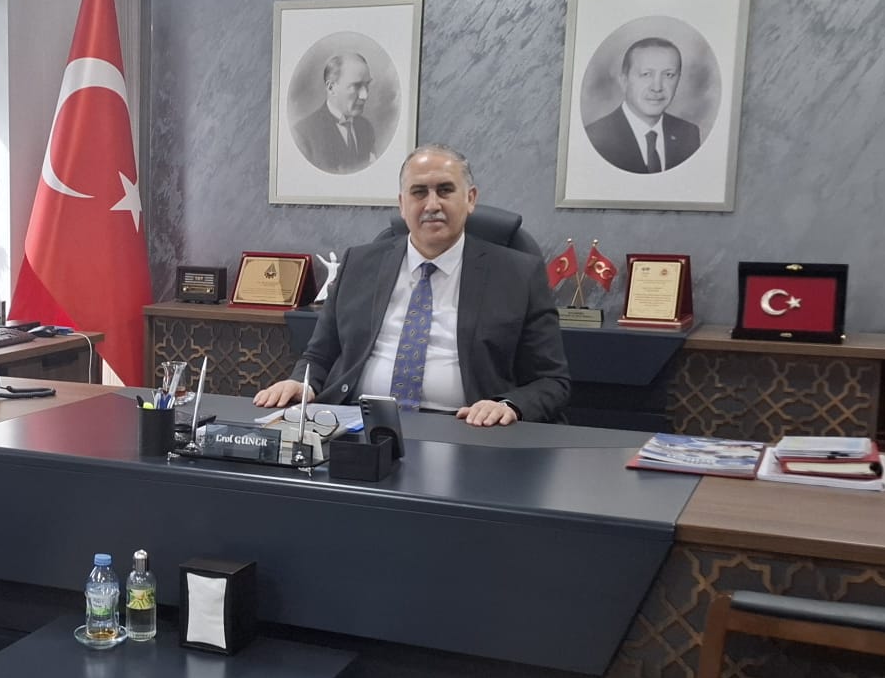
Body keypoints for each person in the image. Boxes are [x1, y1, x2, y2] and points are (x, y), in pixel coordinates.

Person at [253, 145, 570, 425]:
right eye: (419, 192)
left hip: (468, 428)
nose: (432, 204)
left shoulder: (518, 275)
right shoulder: (359, 264)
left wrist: (507, 405)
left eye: (445, 190)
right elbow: (319, 356)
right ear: (402, 204)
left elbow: (552, 381)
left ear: (470, 199)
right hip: (357, 423)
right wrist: (303, 383)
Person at [584, 37, 703, 174]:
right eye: (646, 74)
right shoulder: (596, 137)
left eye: (668, 75)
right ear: (624, 81)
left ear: (678, 79)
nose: (657, 87)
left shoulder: (688, 134)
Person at [292, 52, 379, 172]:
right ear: (331, 88)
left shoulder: (366, 128)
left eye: (367, 85)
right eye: (356, 86)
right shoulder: (303, 134)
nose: (364, 95)